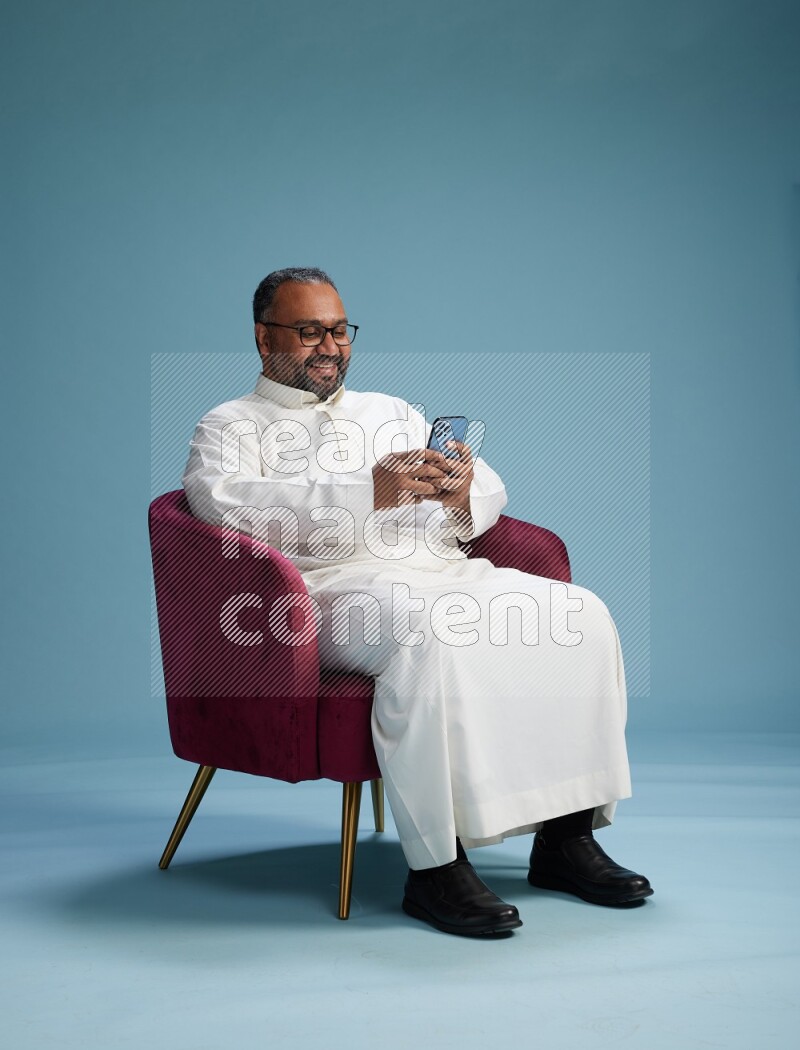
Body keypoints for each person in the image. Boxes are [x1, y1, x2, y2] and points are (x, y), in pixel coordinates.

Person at [182, 266, 653, 937]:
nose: (330, 346)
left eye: (340, 330)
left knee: (582, 616)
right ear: (264, 339)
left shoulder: (391, 409)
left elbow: (486, 483)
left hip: (439, 564)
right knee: (434, 637)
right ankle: (437, 868)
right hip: (328, 588)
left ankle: (566, 837)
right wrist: (365, 490)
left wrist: (461, 491)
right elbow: (224, 509)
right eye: (310, 330)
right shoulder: (230, 425)